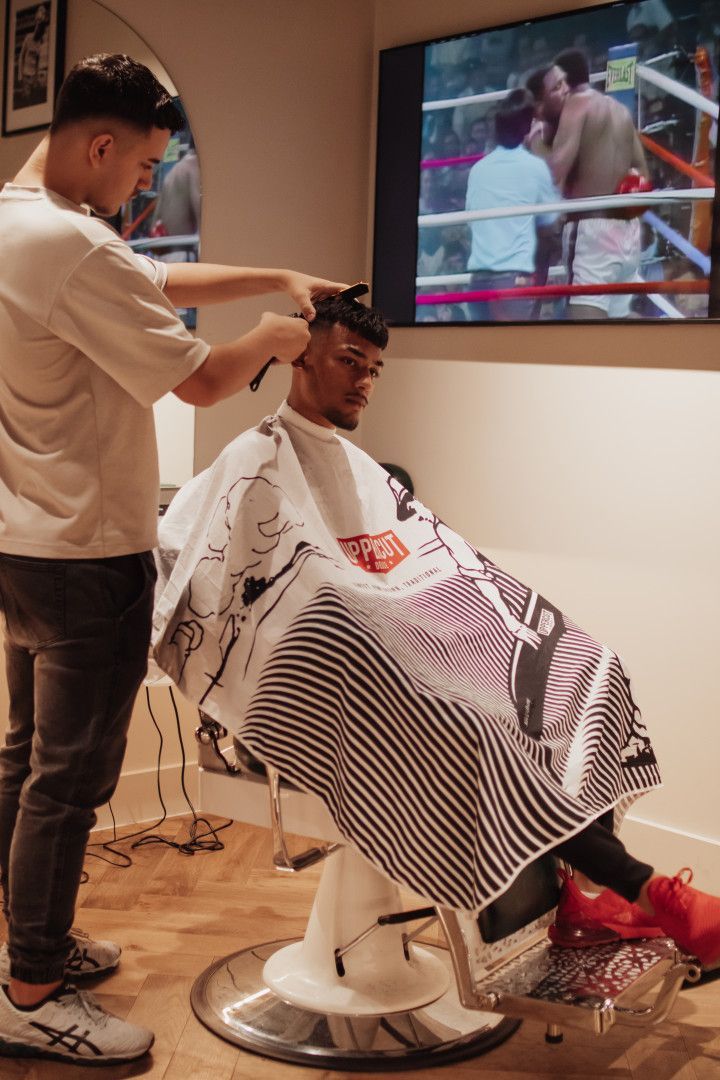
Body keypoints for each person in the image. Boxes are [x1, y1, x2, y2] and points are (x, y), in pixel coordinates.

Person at [154, 295, 720, 982]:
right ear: (298, 358)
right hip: (339, 687)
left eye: (374, 369)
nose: (364, 380)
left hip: (409, 655)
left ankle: (578, 899)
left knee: (582, 672)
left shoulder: (357, 469)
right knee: (483, 729)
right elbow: (209, 578)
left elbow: (448, 565)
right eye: (349, 361)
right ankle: (649, 891)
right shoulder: (255, 461)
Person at [0, 52, 346, 1067]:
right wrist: (276, 336)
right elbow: (198, 381)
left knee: (27, 765)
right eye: (143, 166)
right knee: (71, 782)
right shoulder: (71, 246)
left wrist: (276, 275)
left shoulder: (19, 223)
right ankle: (30, 994)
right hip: (87, 555)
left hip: (22, 540)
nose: (145, 184)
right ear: (100, 145)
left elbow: (146, 278)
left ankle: (31, 945)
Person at [549, 47, 650, 320]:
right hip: (627, 231)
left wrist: (537, 141)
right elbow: (643, 174)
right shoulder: (621, 111)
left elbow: (557, 167)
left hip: (591, 227)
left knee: (585, 329)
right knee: (619, 321)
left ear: (564, 83)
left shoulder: (576, 104)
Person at [465, 88, 559, 322]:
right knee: (514, 352)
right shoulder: (535, 167)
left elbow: (471, 220)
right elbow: (552, 222)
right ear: (527, 127)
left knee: (479, 355)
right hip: (512, 282)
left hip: (477, 281)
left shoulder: (478, 169)